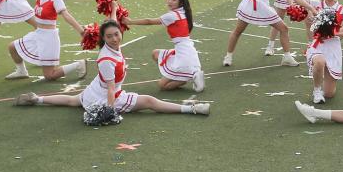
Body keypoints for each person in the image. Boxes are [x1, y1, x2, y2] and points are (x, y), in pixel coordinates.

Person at [14, 21, 210, 116]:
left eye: (117, 34)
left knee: (73, 101)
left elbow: (112, 24)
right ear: (103, 38)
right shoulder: (106, 59)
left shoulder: (111, 46)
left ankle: (36, 99)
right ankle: (192, 109)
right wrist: (110, 111)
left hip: (95, 90)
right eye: (110, 36)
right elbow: (110, 89)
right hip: (108, 96)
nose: (115, 38)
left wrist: (114, 8)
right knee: (149, 101)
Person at [121, 0, 205, 92]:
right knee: (155, 54)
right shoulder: (183, 10)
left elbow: (149, 21)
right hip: (185, 50)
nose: (169, 1)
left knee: (162, 86)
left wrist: (130, 22)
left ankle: (189, 77)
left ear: (180, 2)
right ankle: (186, 75)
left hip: (184, 55)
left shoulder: (172, 16)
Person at [4, 0, 87, 82]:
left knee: (50, 75)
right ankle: (21, 71)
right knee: (12, 47)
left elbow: (66, 15)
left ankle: (78, 64)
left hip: (49, 38)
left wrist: (81, 31)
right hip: (38, 34)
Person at [292, 0, 343, 103]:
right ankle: (316, 90)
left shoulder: (342, 9)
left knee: (329, 93)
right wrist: (312, 9)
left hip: (333, 47)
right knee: (319, 61)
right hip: (318, 45)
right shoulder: (317, 4)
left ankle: (323, 87)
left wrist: (335, 33)